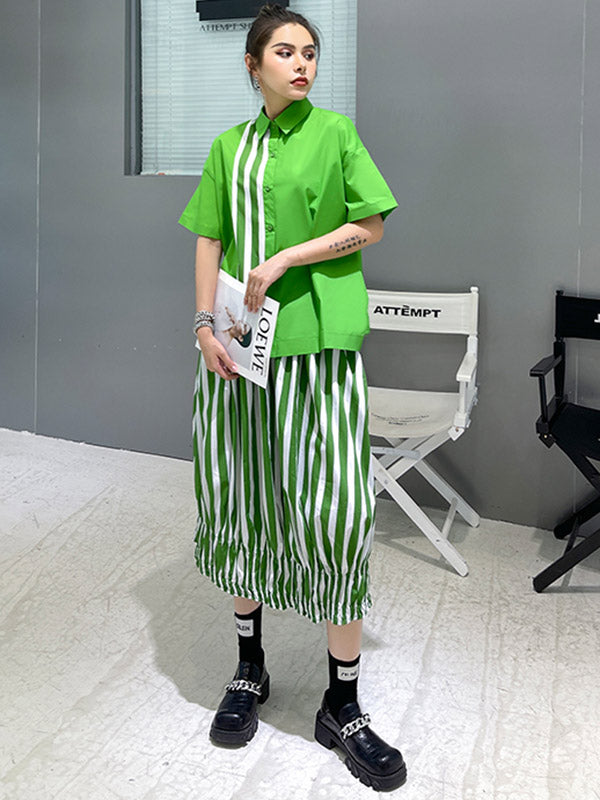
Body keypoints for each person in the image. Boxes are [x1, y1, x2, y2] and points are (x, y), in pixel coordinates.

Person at [178, 4, 406, 791]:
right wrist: (202, 324)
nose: (302, 63)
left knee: (337, 515)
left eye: (310, 51)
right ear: (253, 64)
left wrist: (284, 260)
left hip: (321, 352)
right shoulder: (227, 148)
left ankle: (343, 704)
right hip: (240, 356)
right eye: (284, 51)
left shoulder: (335, 134)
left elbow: (371, 224)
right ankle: (250, 668)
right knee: (244, 503)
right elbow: (209, 237)